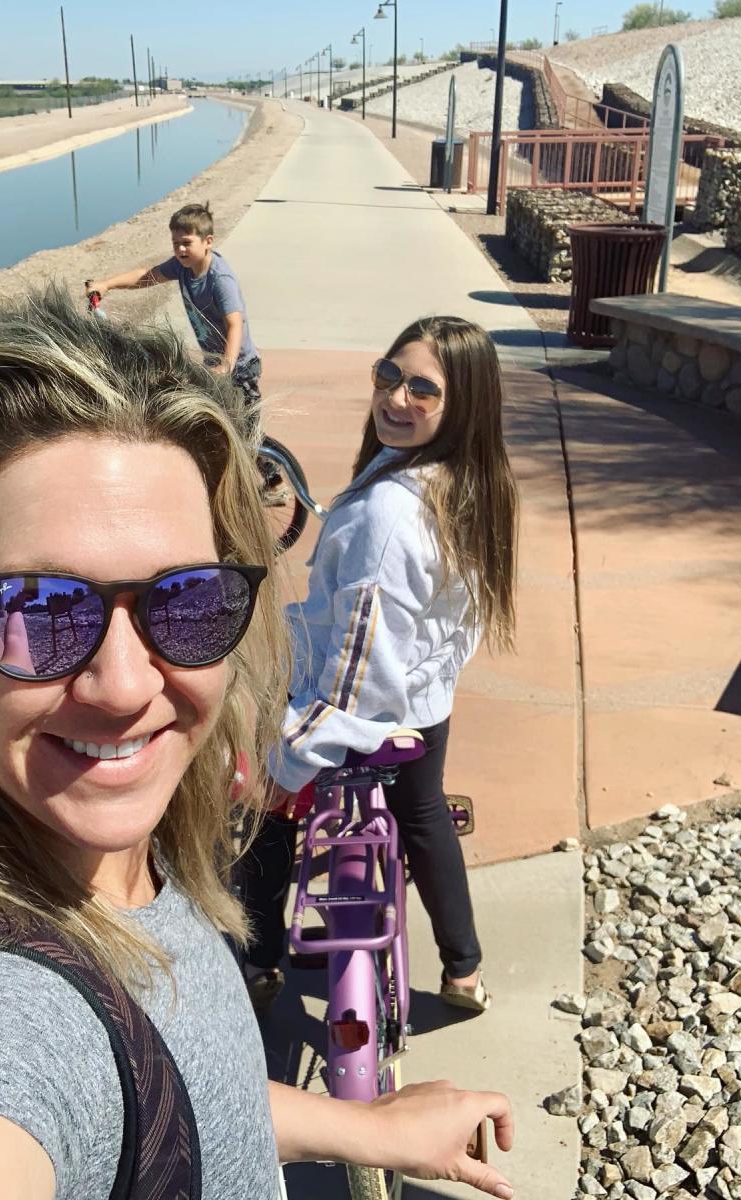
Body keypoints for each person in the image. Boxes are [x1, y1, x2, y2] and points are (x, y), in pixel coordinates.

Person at [0, 290, 515, 1200]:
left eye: (186, 601)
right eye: (41, 611)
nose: (125, 687)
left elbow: (181, 1091)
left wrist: (363, 1127)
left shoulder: (121, 848)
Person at [237, 315, 519, 1015]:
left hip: (362, 715)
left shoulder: (386, 517)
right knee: (423, 815)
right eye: (388, 376)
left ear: (463, 407)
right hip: (425, 705)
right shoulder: (468, 484)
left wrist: (287, 765)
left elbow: (354, 676)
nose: (396, 399)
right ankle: (463, 969)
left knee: (264, 814)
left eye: (423, 389)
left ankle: (259, 959)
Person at [84, 201, 262, 437]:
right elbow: (147, 276)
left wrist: (228, 365)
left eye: (187, 243)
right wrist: (107, 285)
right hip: (215, 364)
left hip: (240, 367)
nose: (180, 250)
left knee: (246, 433)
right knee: (214, 427)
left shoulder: (220, 279)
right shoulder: (182, 268)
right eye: (176, 244)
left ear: (208, 241)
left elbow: (234, 324)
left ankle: (269, 470)